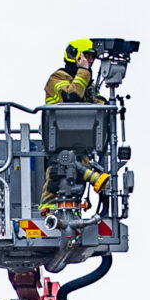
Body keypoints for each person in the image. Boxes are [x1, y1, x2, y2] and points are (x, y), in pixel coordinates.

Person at [40, 39, 112, 211]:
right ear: (75, 56)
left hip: (82, 147)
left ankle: (74, 214)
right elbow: (71, 97)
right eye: (87, 56)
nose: (91, 61)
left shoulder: (86, 82)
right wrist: (83, 71)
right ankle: (48, 214)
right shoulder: (57, 78)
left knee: (78, 181)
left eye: (93, 57)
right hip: (59, 146)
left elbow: (100, 103)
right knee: (56, 178)